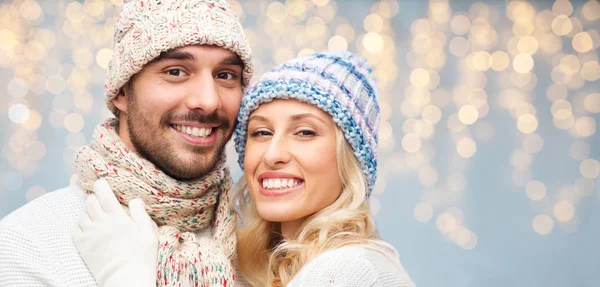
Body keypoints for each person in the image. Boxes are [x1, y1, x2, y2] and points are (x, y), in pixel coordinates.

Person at [74, 51, 416, 286]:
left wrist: (125, 275)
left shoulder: (347, 270)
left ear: (349, 159)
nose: (273, 154)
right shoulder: (273, 266)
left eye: (305, 132)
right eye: (261, 133)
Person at [0, 0, 253, 286]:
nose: (208, 101)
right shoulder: (29, 246)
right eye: (176, 71)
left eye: (225, 75)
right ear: (121, 91)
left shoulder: (264, 243)